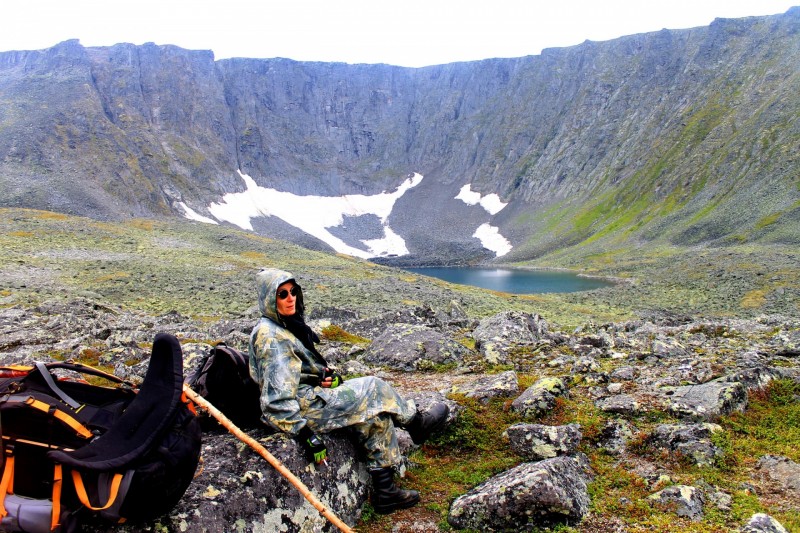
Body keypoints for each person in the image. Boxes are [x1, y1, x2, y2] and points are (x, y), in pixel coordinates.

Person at [248, 267, 449, 514]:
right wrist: (304, 435)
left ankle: (385, 491)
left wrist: (320, 379)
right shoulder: (271, 336)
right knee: (373, 387)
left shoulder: (284, 325)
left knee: (373, 411)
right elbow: (277, 398)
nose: (290, 298)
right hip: (302, 408)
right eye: (282, 294)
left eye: (293, 292)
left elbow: (294, 374)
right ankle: (416, 422)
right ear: (269, 298)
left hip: (307, 396)